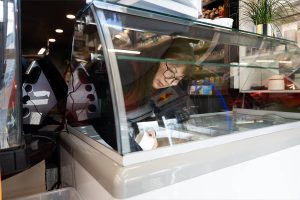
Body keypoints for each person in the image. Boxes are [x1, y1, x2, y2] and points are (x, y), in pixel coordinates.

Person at [119, 37, 195, 151]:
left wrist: (151, 131)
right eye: (172, 70)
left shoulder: (162, 90)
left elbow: (153, 116)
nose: (169, 81)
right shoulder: (129, 72)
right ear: (158, 57)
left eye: (177, 78)